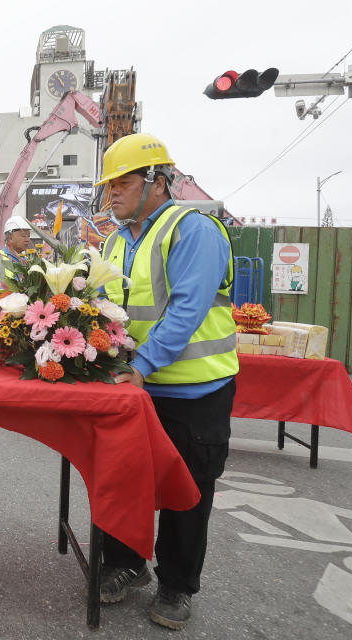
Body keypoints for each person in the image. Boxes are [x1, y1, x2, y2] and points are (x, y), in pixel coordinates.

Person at [95, 133, 238, 630]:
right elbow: (108, 313)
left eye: (125, 182)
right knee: (124, 479)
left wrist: (141, 367)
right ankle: (125, 565)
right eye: (110, 185)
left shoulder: (194, 229)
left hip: (194, 389)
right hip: (135, 388)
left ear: (158, 182)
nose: (113, 193)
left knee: (188, 489)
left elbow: (186, 310)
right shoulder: (114, 241)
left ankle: (177, 585)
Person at [0, 215, 32, 287]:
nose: (28, 240)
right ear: (10, 238)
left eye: (28, 236)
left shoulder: (28, 262)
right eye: (23, 236)